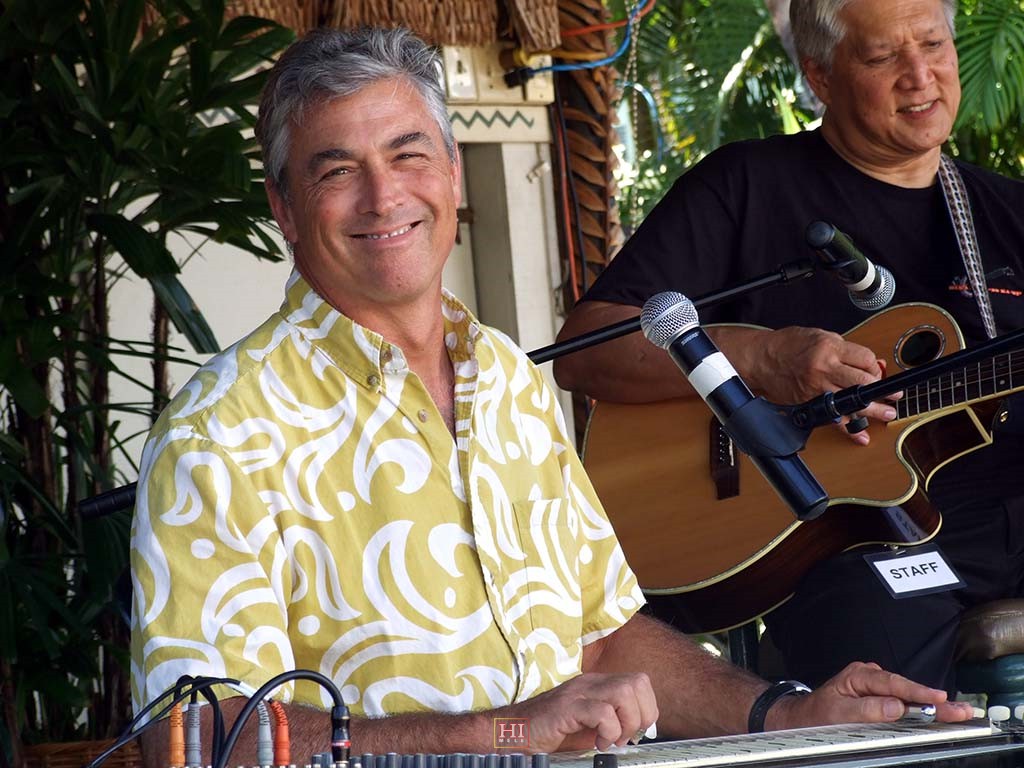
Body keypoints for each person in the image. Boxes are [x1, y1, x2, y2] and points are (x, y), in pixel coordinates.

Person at [130, 24, 973, 768]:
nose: (384, 197)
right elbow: (194, 737)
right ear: (284, 208)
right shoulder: (221, 430)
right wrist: (498, 733)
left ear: (452, 174)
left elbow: (602, 640)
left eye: (408, 155)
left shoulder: (503, 376)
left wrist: (783, 715)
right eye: (338, 170)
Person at [554, 0, 1024, 699]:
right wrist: (762, 359)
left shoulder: (1008, 211)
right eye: (882, 56)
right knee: (879, 685)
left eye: (933, 45)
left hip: (1010, 511)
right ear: (821, 77)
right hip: (856, 542)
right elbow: (586, 349)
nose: (920, 74)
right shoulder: (748, 186)